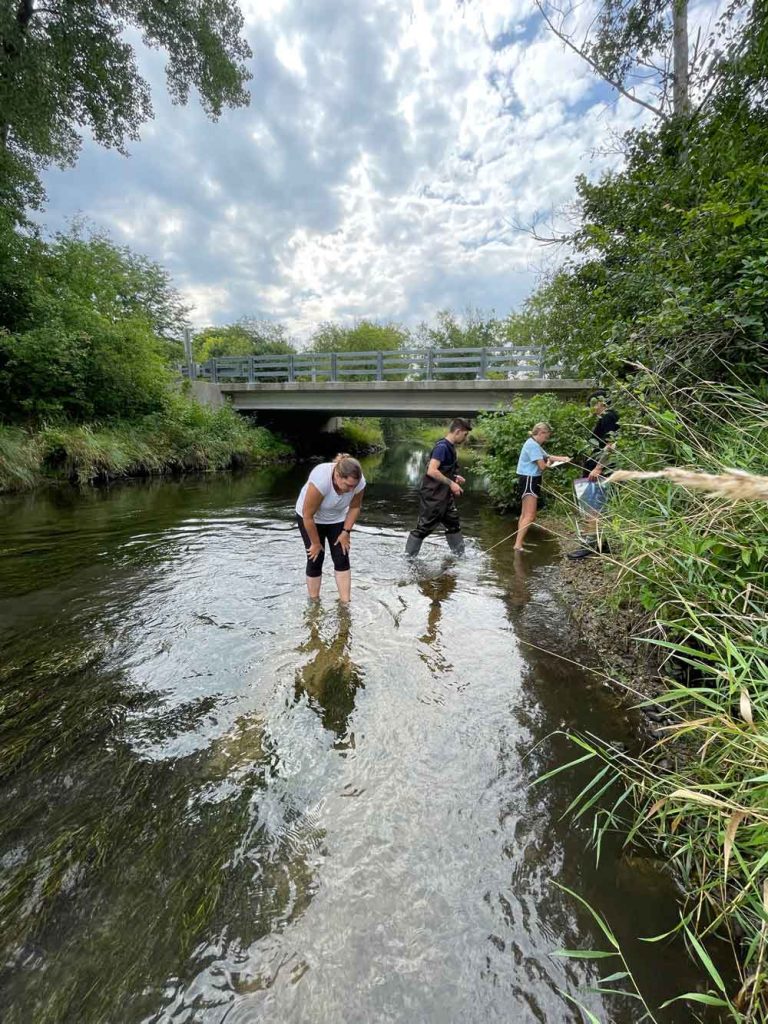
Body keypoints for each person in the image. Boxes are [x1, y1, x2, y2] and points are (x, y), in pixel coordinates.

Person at [296, 454, 366, 603]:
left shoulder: (358, 482)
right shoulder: (321, 480)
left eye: (354, 486)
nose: (352, 489)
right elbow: (307, 515)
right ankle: (314, 603)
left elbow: (354, 507)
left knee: (342, 557)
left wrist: (346, 531)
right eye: (348, 486)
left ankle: (345, 604)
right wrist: (315, 543)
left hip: (338, 517)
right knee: (315, 558)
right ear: (338, 476)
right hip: (311, 518)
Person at [405, 417, 472, 557]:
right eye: (465, 434)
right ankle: (408, 558)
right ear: (458, 431)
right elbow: (432, 470)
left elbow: (443, 470)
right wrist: (451, 483)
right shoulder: (442, 447)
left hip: (445, 497)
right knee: (423, 528)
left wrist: (454, 477)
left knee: (454, 525)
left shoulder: (450, 447)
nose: (465, 438)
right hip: (434, 496)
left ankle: (460, 557)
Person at [567, 392, 620, 559]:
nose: (592, 407)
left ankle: (590, 545)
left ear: (602, 403)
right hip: (598, 470)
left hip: (598, 472)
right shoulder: (607, 418)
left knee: (592, 507)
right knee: (598, 506)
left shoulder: (608, 417)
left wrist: (598, 467)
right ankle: (600, 543)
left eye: (594, 403)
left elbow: (611, 444)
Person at [514, 422, 571, 551]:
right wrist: (550, 463)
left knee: (525, 515)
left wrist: (562, 458)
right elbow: (542, 466)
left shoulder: (533, 443)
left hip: (528, 479)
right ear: (540, 433)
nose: (546, 440)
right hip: (530, 480)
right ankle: (518, 545)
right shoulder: (533, 446)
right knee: (530, 516)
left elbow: (547, 456)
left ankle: (519, 542)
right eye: (546, 437)